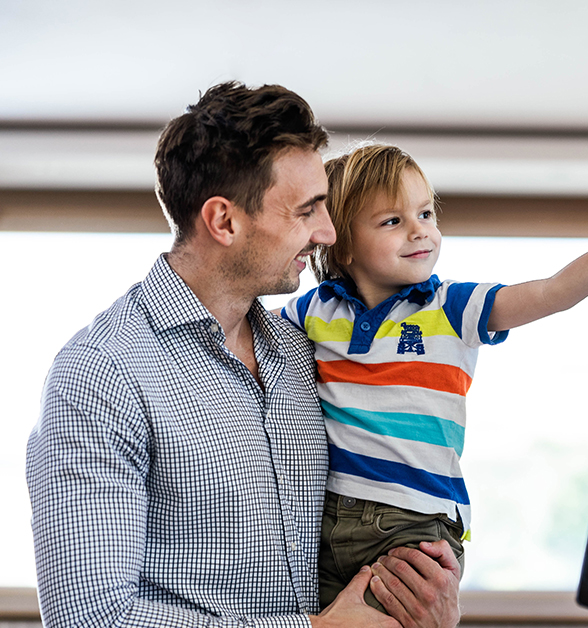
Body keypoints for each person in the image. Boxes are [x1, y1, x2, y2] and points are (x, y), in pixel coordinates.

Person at [26, 82, 460, 628]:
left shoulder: (304, 348)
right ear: (224, 221)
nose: (326, 233)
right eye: (306, 211)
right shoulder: (101, 375)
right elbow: (90, 617)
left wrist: (426, 605)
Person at [277, 142, 588, 610]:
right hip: (325, 520)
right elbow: (242, 323)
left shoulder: (453, 307)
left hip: (412, 525)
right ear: (344, 241)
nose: (420, 232)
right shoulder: (314, 311)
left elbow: (553, 292)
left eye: (425, 214)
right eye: (392, 221)